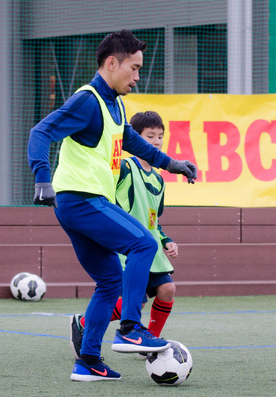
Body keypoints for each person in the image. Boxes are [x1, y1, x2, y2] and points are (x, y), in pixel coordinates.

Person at [27, 30, 197, 382]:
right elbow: (40, 133)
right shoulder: (88, 100)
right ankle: (131, 328)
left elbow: (135, 143)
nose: (137, 77)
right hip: (80, 199)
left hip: (84, 202)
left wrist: (173, 164)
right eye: (133, 69)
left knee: (109, 283)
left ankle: (87, 361)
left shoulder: (114, 105)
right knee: (144, 243)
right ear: (111, 63)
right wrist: (42, 177)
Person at [70, 111, 179, 360]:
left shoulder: (160, 179)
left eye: (160, 136)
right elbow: (106, 192)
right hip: (128, 244)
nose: (156, 141)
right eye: (149, 136)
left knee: (167, 289)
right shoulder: (125, 166)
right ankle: (84, 323)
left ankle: (148, 342)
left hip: (150, 247)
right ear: (136, 139)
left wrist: (165, 239)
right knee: (136, 300)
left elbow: (155, 219)